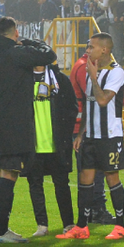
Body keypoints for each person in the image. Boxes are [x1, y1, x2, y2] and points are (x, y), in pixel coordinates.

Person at [0, 17, 58, 243]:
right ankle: (2, 231)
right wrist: (31, 42)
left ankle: (2, 230)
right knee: (9, 173)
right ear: (15, 32)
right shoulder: (15, 53)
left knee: (4, 171)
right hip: (13, 121)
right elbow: (49, 55)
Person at [56, 33, 124, 241]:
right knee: (85, 179)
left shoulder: (117, 72)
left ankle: (120, 226)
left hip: (110, 136)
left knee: (111, 177)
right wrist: (81, 133)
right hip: (91, 135)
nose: (87, 50)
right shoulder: (91, 72)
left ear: (104, 50)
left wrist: (94, 78)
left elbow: (103, 100)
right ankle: (81, 227)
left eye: (91, 47)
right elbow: (89, 104)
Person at [25, 62, 76, 237]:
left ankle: (68, 223)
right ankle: (42, 225)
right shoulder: (23, 79)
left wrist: (65, 134)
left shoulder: (59, 79)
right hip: (33, 145)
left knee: (62, 184)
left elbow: (72, 108)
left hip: (57, 145)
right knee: (35, 185)